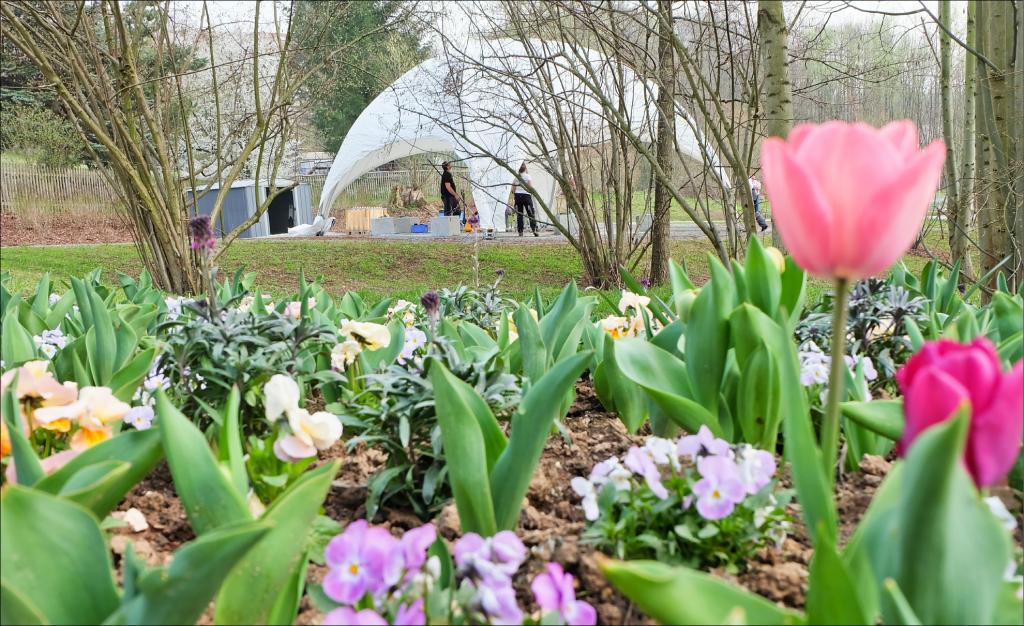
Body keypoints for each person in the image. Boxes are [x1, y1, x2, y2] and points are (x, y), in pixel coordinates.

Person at [510, 162, 539, 237]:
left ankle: (520, 231)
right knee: (530, 213)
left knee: (519, 214)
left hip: (518, 196)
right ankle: (534, 229)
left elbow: (513, 189)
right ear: (525, 168)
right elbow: (530, 187)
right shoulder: (528, 176)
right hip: (526, 196)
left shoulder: (516, 177)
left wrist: (515, 194)